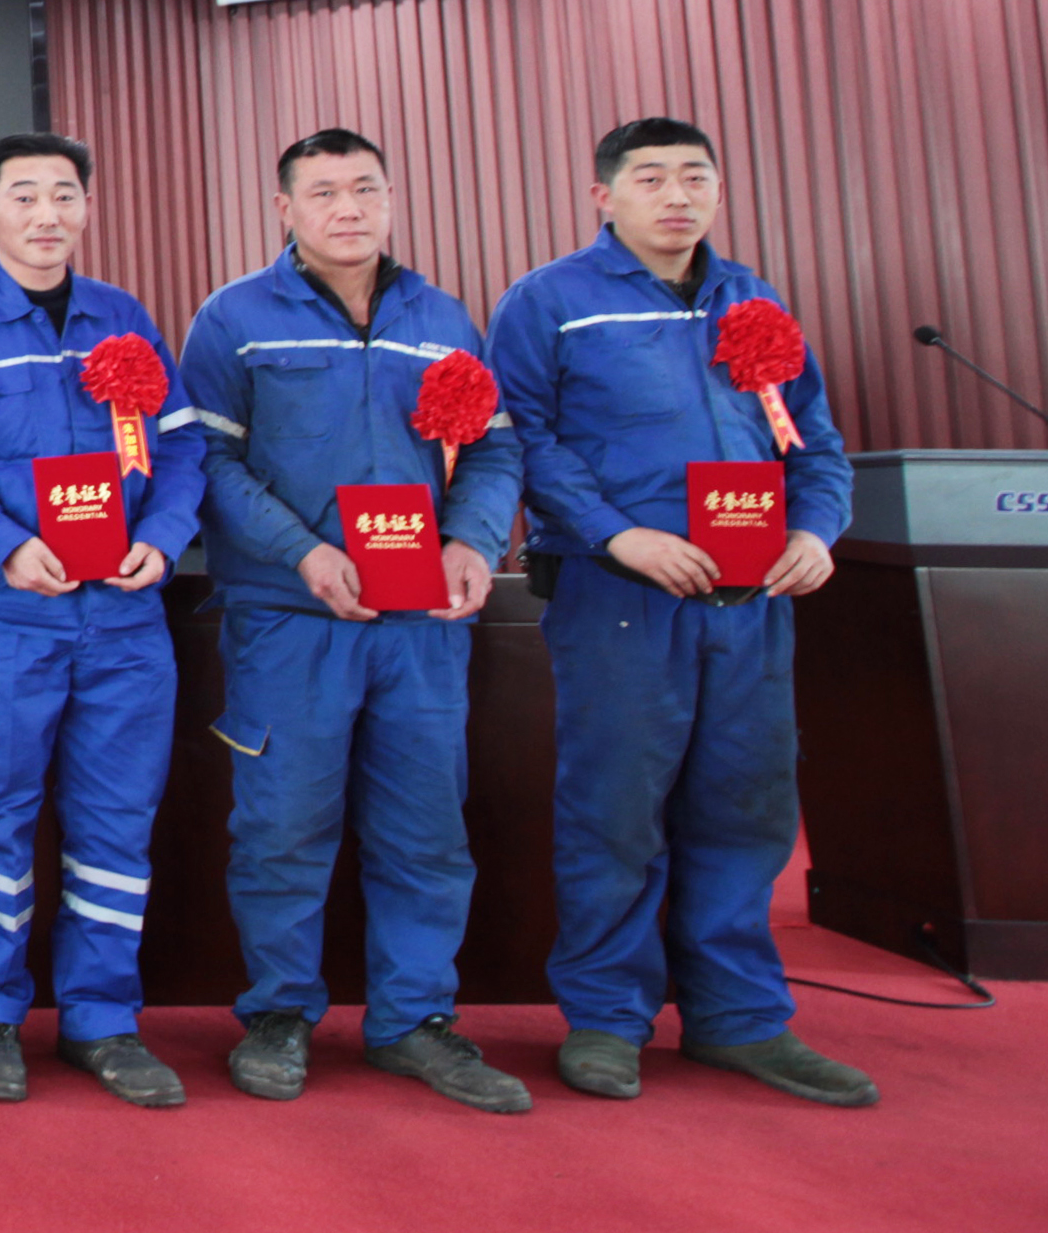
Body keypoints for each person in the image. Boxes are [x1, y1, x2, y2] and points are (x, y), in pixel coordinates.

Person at [489, 117, 867, 1107]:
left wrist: (815, 530)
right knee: (616, 810)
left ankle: (737, 1019)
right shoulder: (550, 301)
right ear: (603, 196)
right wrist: (620, 536)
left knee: (746, 806)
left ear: (718, 190)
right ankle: (606, 1018)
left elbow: (815, 443)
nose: (676, 196)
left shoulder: (755, 300)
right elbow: (523, 439)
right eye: (650, 178)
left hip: (751, 599)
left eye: (694, 176)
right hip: (620, 594)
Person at [183, 129, 531, 1113]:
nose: (348, 208)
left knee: (426, 828)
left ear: (390, 199)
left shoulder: (442, 318)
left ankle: (414, 1021)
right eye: (325, 192)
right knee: (282, 826)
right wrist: (303, 551)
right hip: (290, 619)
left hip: (420, 624)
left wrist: (471, 541)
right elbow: (208, 462)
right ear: (284, 209)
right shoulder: (234, 318)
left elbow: (492, 448)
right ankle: (278, 1014)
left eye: (366, 189)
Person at [0, 132, 207, 1108]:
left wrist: (165, 536)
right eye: (23, 195)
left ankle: (103, 1021)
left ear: (86, 208)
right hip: (1, 621)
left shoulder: (124, 318)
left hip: (124, 621)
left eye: (64, 194)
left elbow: (182, 447)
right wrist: (3, 544)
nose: (46, 213)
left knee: (116, 823)